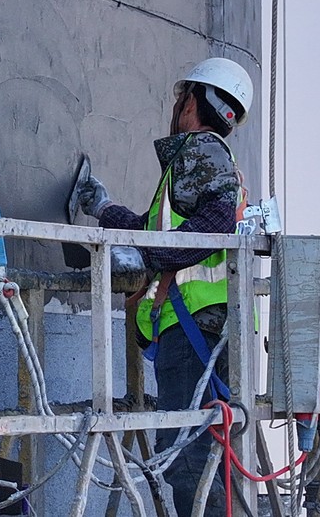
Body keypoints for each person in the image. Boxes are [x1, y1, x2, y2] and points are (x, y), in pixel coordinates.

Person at [75, 57, 253, 516]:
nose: (176, 105)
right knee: (207, 452)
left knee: (186, 456)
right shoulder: (206, 162)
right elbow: (154, 231)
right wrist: (104, 209)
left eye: (181, 97)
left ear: (193, 100)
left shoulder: (199, 149)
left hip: (195, 329)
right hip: (208, 328)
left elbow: (211, 225)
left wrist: (150, 258)